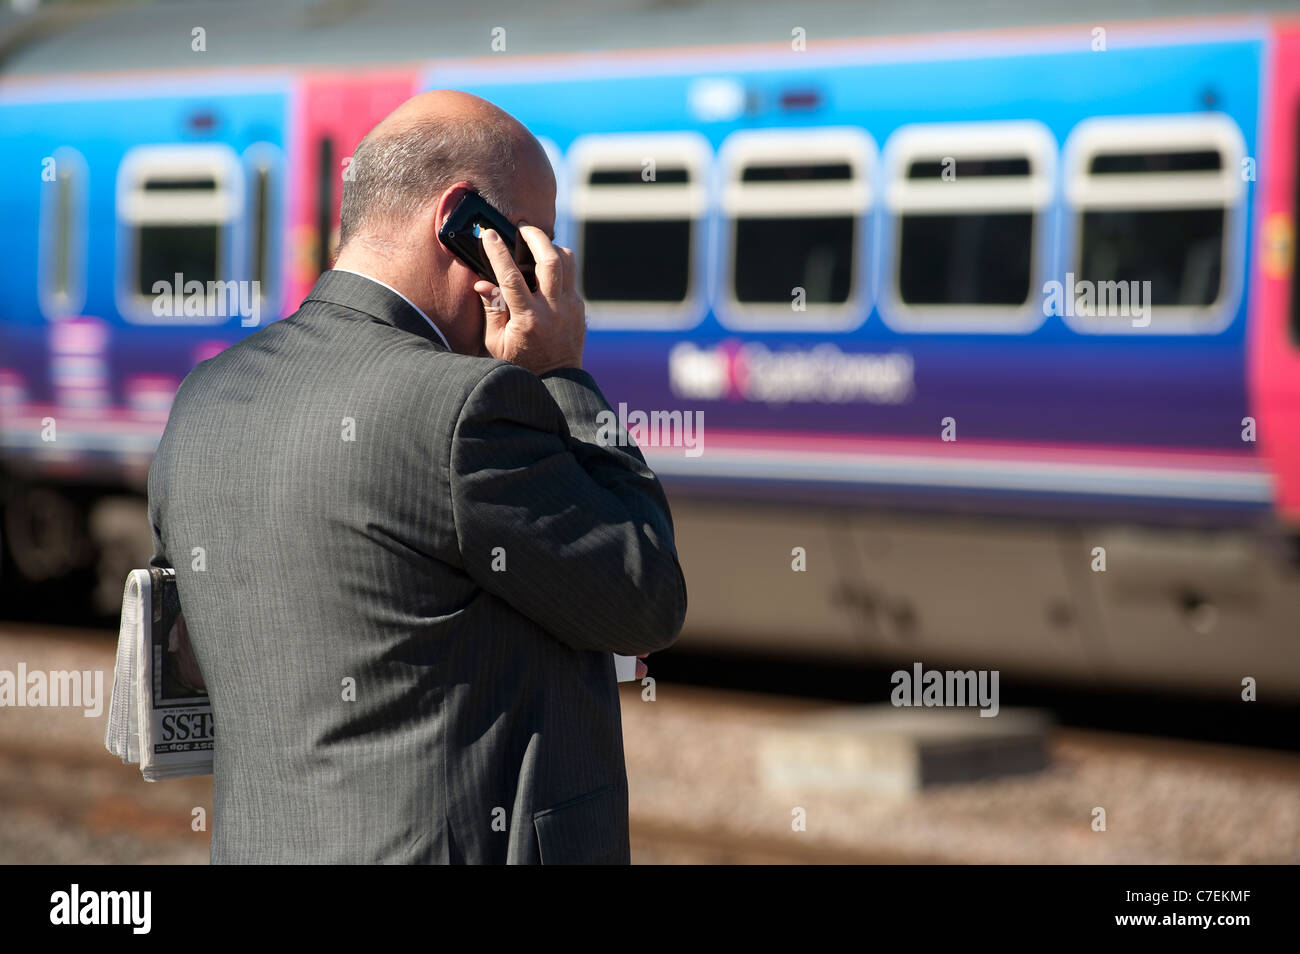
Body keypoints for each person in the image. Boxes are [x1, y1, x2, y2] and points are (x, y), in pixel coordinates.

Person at [146, 89, 687, 864]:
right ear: (464, 230)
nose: (547, 276)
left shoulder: (205, 399)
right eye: (536, 246)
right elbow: (647, 596)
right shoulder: (468, 409)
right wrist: (563, 373)